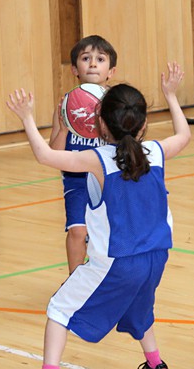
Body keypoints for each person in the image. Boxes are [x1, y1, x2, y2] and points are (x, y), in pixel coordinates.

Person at [6, 62, 191, 369]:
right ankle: (156, 364)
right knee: (140, 309)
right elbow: (183, 134)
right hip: (157, 256)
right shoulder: (155, 152)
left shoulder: (97, 159)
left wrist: (27, 117)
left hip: (117, 259)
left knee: (59, 310)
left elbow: (45, 155)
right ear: (144, 124)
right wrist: (170, 95)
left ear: (100, 125)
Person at [48, 35, 117, 274]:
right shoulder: (66, 105)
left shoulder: (116, 105)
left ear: (111, 71)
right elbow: (54, 153)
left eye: (100, 59)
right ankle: (74, 282)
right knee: (77, 231)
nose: (93, 64)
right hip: (76, 180)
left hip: (108, 180)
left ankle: (107, 278)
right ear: (74, 69)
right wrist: (64, 128)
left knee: (110, 233)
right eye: (86, 58)